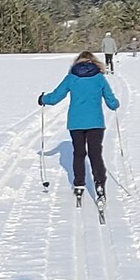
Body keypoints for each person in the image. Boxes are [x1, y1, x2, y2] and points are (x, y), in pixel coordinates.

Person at [38, 48, 119, 204]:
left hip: (76, 123)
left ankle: (79, 184)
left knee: (79, 153)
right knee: (95, 154)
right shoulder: (99, 78)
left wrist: (43, 99)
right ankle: (99, 184)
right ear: (94, 62)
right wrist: (115, 104)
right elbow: (111, 101)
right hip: (96, 123)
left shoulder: (71, 78)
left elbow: (55, 97)